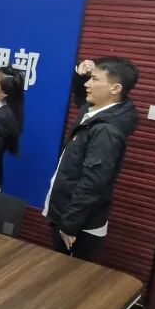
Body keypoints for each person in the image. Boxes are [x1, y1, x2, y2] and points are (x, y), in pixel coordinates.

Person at [43, 57, 139, 260]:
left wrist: (70, 224)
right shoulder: (96, 112)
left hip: (78, 227)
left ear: (115, 88)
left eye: (94, 79)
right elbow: (82, 99)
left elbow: (93, 182)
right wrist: (80, 76)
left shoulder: (107, 130)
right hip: (68, 215)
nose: (88, 84)